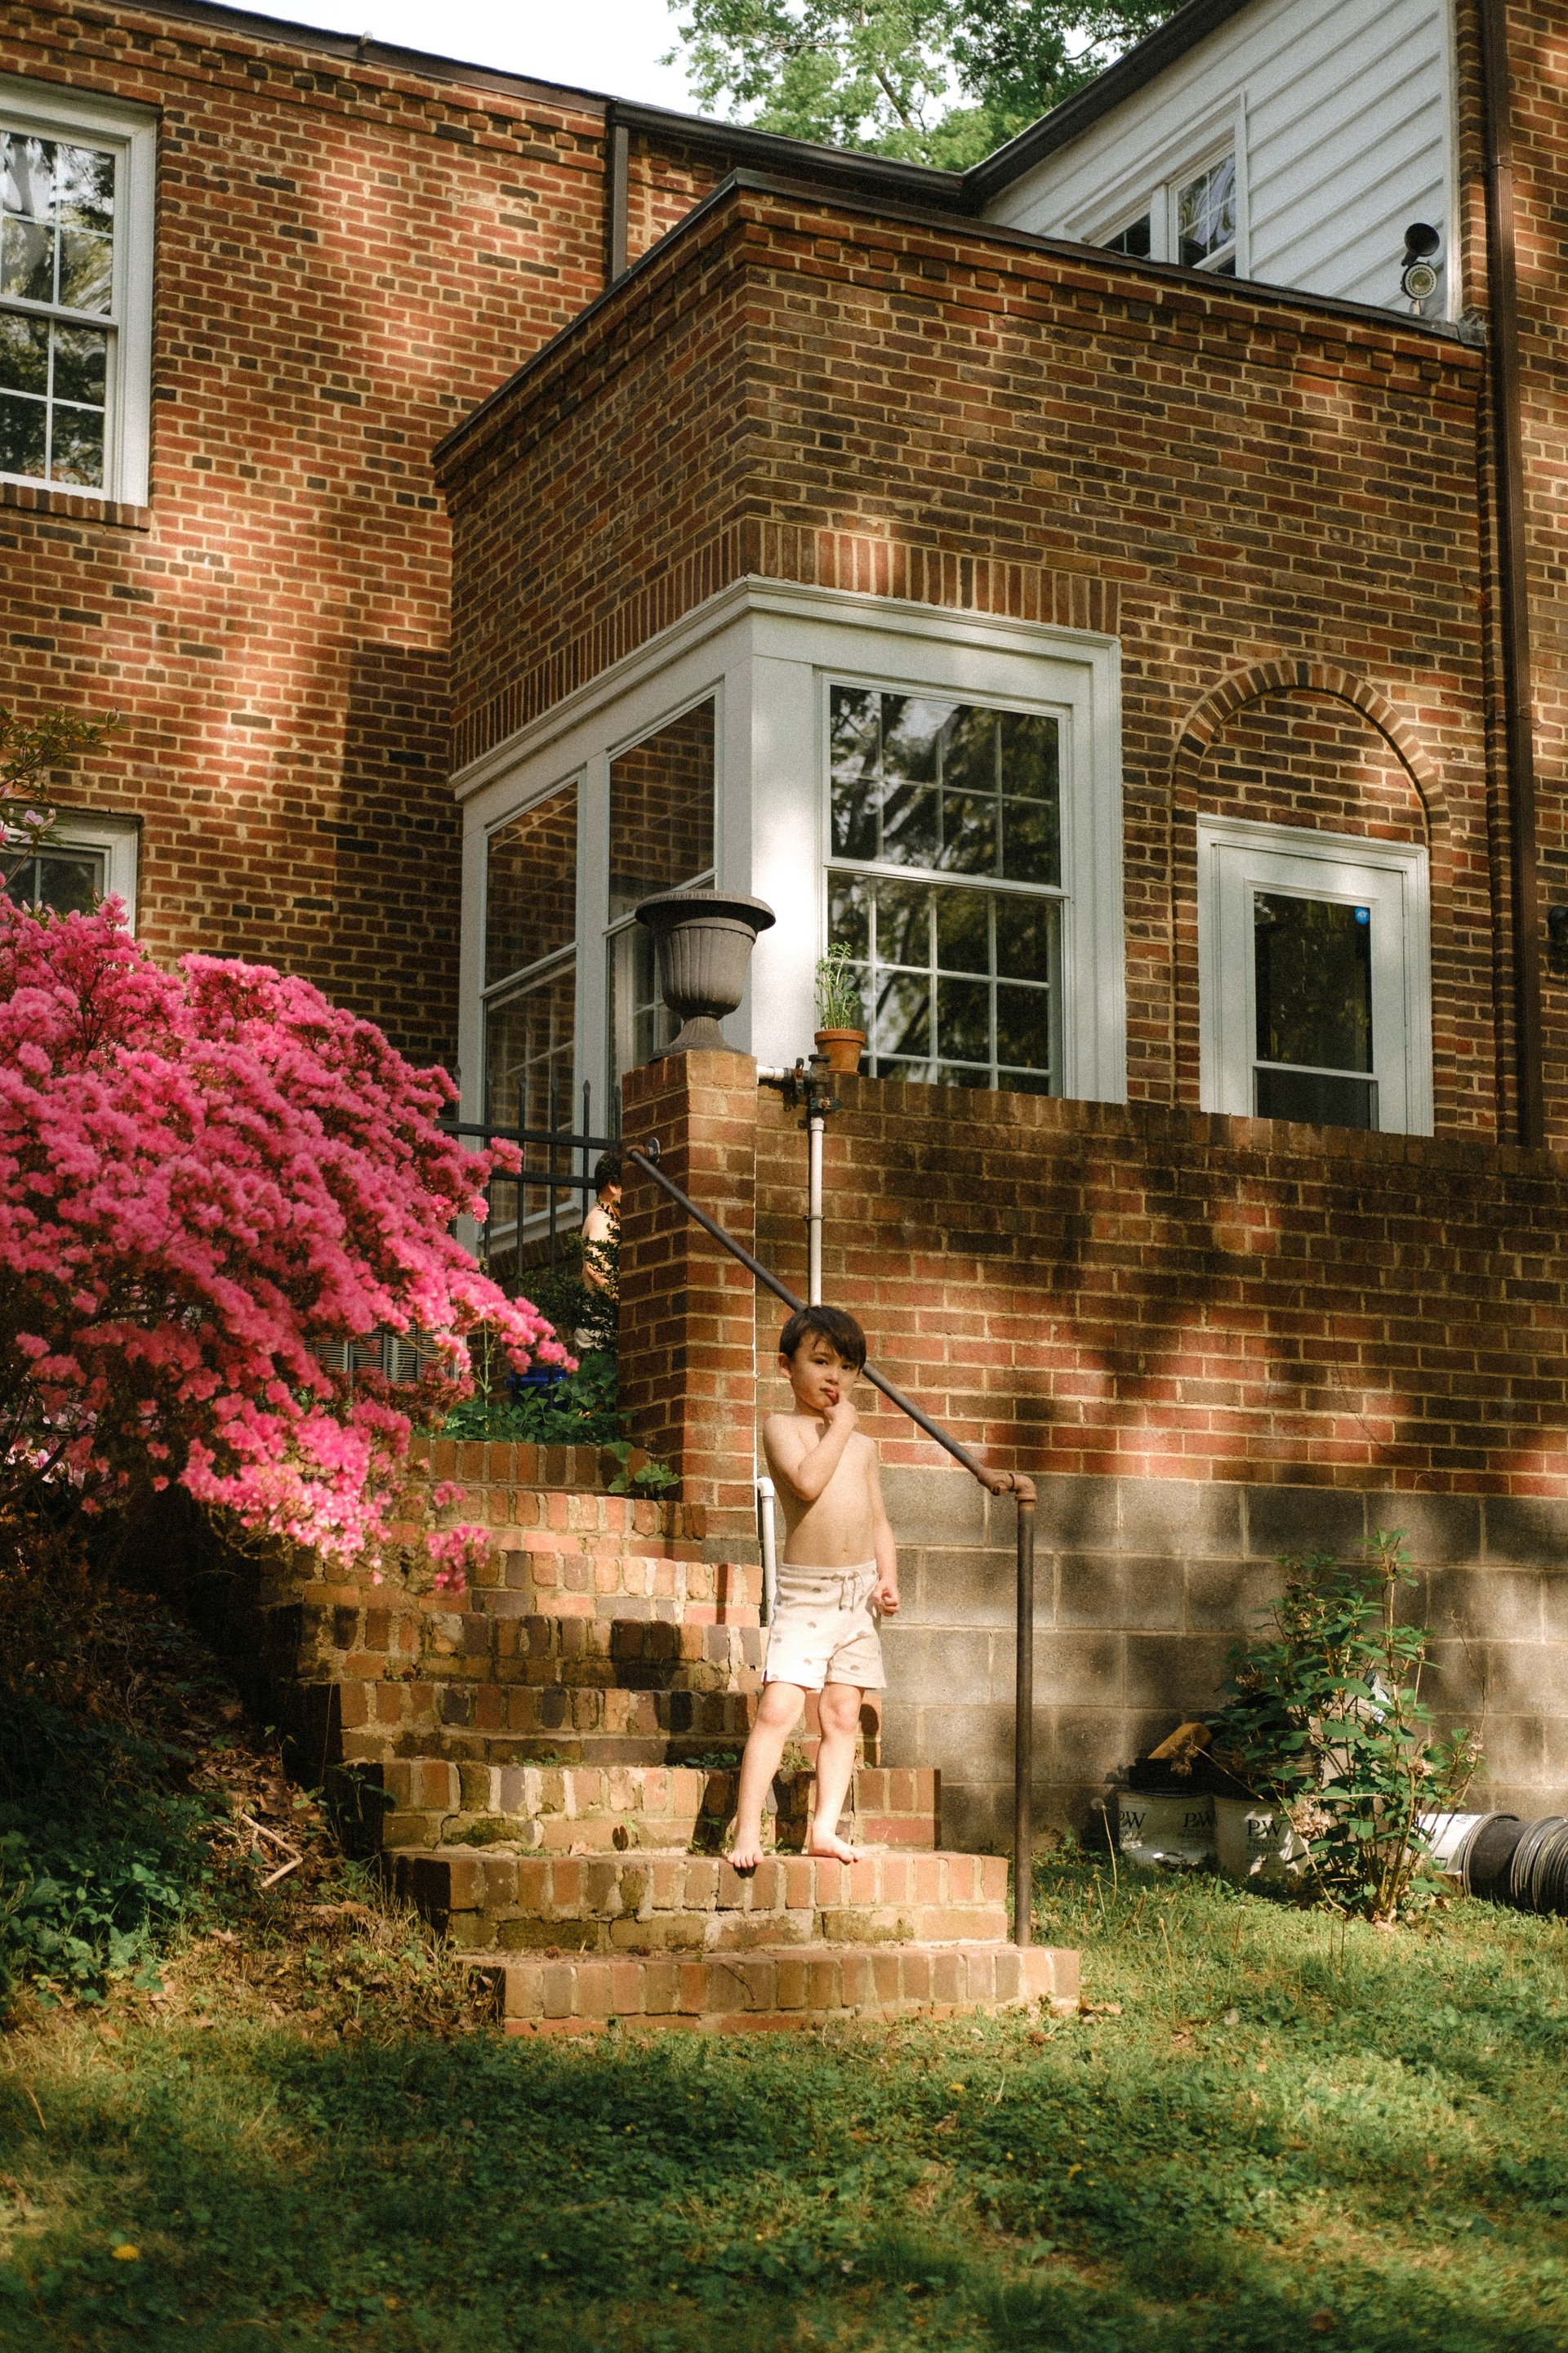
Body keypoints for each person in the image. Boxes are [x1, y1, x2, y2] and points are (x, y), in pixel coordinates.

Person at [727, 1304, 898, 1869]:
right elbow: (805, 1482)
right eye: (821, 1362)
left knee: (843, 1713)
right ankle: (747, 1828)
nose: (835, 1378)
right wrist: (841, 1426)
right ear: (786, 1366)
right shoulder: (783, 1427)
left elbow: (879, 1521)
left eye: (847, 1368)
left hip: (858, 1595)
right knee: (779, 1708)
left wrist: (888, 1578)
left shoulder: (864, 1447)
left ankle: (823, 1827)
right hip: (808, 1594)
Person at [579, 1152, 621, 1292]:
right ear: (614, 1185)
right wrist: (617, 1298)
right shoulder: (602, 1219)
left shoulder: (600, 1216)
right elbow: (594, 1264)